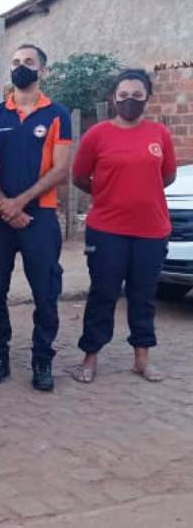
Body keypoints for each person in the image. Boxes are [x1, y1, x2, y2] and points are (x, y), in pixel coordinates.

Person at [69, 69, 176, 384]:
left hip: (151, 230)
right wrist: (108, 193)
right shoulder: (97, 135)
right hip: (107, 230)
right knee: (103, 293)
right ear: (114, 98)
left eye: (137, 96)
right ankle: (90, 357)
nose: (130, 101)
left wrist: (141, 192)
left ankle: (142, 358)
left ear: (147, 98)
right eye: (124, 95)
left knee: (144, 296)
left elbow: (167, 176)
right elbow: (79, 177)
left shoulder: (159, 134)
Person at [0, 44, 71, 392]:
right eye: (16, 62)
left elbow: (60, 169)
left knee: (45, 291)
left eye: (29, 62)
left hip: (40, 217)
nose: (21, 67)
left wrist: (20, 203)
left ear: (42, 70)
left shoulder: (57, 114)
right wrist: (4, 204)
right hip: (0, 215)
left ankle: (42, 359)